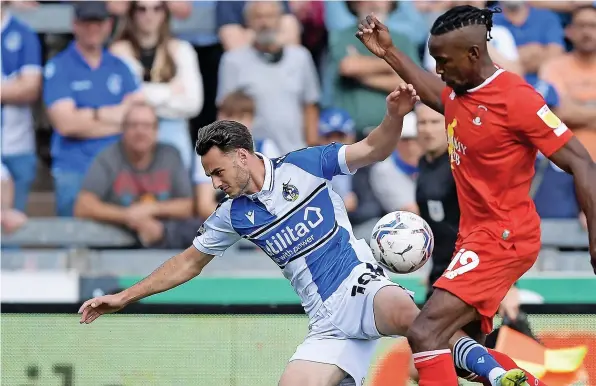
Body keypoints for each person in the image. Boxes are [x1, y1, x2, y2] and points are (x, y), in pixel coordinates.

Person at [78, 85, 527, 386]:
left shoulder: (304, 165)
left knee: (420, 323)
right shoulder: (233, 215)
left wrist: (393, 118)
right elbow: (186, 263)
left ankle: (499, 375)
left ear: (243, 155)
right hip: (326, 324)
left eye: (217, 172)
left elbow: (372, 149)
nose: (215, 183)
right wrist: (124, 297)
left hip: (361, 286)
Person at [356, 5, 596, 386]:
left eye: (443, 60)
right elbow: (429, 87)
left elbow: (584, 165)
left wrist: (594, 245)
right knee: (460, 354)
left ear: (473, 54)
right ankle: (512, 378)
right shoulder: (458, 93)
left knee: (424, 335)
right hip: (476, 237)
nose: (438, 69)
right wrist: (388, 51)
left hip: (503, 238)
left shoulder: (518, 99)